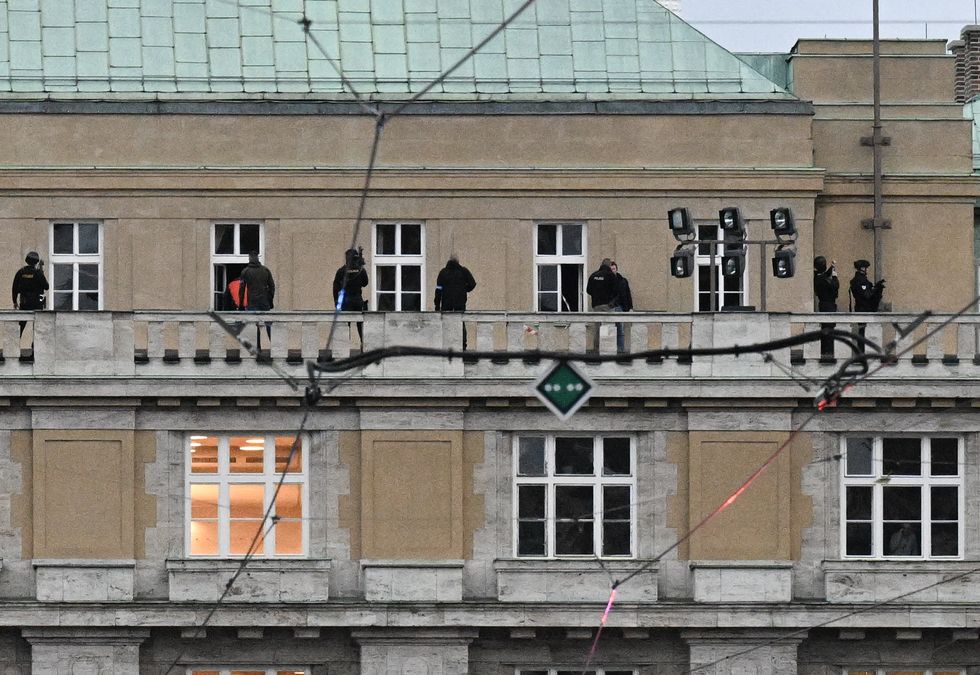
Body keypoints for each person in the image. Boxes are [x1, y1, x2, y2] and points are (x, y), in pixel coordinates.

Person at [434, 255, 476, 350]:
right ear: (458, 261)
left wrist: (437, 305)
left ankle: (447, 346)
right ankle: (463, 346)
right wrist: (465, 289)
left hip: (446, 304)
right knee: (461, 324)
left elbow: (438, 290)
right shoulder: (463, 271)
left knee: (447, 325)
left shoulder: (443, 273)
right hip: (460, 303)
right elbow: (473, 284)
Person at [333, 248, 369, 343]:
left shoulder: (341, 271)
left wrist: (336, 302)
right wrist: (360, 267)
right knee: (360, 325)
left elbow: (336, 288)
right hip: (357, 299)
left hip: (346, 301)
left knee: (345, 325)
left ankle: (344, 347)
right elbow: (365, 283)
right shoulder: (361, 270)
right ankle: (363, 344)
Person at [238, 251, 275, 340]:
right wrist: (270, 300)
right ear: (258, 258)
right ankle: (273, 344)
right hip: (264, 302)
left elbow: (241, 290)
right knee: (268, 324)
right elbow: (272, 287)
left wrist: (241, 305)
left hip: (252, 302)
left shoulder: (245, 271)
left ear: (249, 258)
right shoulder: (265, 270)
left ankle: (257, 345)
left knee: (253, 325)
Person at [849, 259, 885, 349]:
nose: (867, 270)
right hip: (863, 309)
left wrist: (876, 287)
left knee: (864, 331)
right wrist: (876, 288)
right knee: (863, 332)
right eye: (866, 268)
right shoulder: (859, 280)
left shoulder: (862, 279)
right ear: (862, 268)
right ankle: (862, 351)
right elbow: (866, 295)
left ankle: (863, 351)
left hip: (864, 308)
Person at [11, 251, 48, 337]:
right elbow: (46, 287)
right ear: (36, 262)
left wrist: (15, 301)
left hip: (24, 303)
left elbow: (14, 288)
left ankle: (16, 342)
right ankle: (34, 344)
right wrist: (42, 274)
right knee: (37, 327)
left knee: (21, 326)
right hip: (37, 303)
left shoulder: (20, 272)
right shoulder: (38, 273)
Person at [586, 258, 618, 352]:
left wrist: (596, 295)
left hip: (596, 305)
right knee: (608, 327)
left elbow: (588, 290)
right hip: (608, 305)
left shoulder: (594, 275)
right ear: (609, 265)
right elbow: (616, 291)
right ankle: (608, 350)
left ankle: (597, 349)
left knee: (597, 328)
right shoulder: (611, 276)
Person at [813, 256, 839, 357]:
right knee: (829, 328)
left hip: (823, 304)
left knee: (825, 327)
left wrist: (832, 267)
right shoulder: (822, 279)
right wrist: (835, 276)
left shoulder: (817, 276)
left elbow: (825, 274)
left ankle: (825, 350)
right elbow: (835, 286)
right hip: (829, 305)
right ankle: (828, 351)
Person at [610, 261, 633, 354]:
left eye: (614, 269)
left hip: (620, 307)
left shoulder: (623, 281)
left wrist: (630, 307)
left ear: (617, 269)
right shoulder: (607, 281)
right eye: (611, 269)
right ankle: (611, 350)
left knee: (621, 329)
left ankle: (620, 351)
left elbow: (628, 294)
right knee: (610, 330)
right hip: (610, 307)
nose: (612, 271)